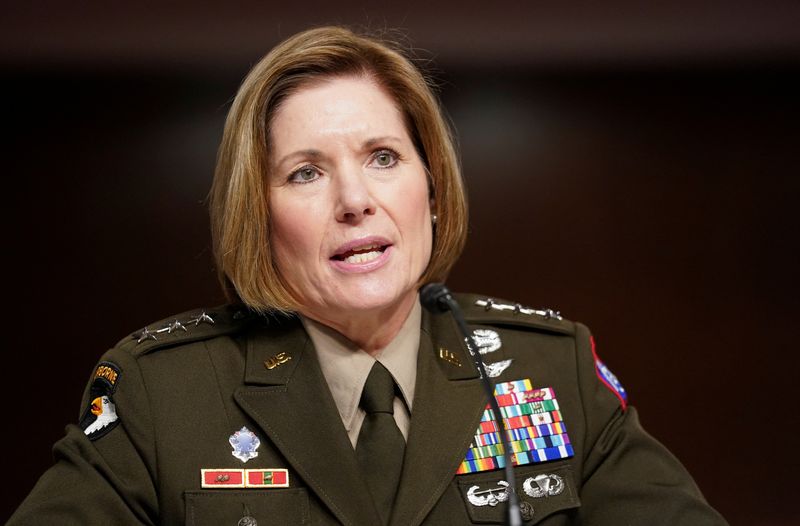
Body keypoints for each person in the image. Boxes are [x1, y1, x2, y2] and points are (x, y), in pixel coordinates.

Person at [9, 26, 727, 525]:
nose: (356, 201)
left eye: (383, 157)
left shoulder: (551, 370)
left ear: (433, 189)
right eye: (306, 172)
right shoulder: (162, 395)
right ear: (256, 220)